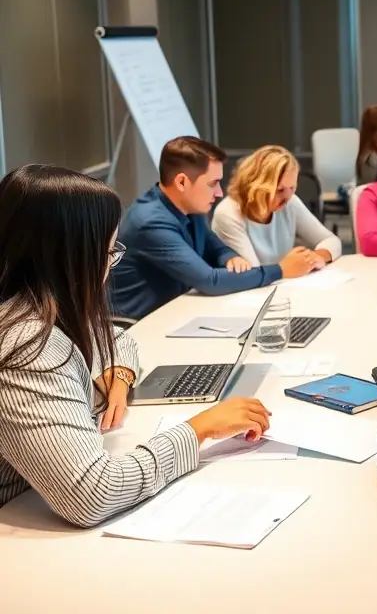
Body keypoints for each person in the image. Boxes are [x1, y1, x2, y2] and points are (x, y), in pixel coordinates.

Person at [0, 165, 272, 525]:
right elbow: (93, 495)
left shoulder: (37, 306)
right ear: (72, 256)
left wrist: (120, 374)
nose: (110, 265)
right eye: (107, 252)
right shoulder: (25, 345)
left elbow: (116, 337)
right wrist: (200, 429)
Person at [111, 137, 318, 319]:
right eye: (213, 183)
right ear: (182, 182)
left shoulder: (189, 206)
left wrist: (230, 257)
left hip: (176, 313)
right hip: (140, 329)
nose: (219, 193)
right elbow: (210, 281)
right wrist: (282, 269)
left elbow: (215, 248)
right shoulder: (150, 222)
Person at [212, 145, 342, 267]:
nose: (287, 197)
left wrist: (316, 257)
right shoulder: (228, 214)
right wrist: (288, 268)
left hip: (282, 281)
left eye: (292, 188)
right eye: (280, 190)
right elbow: (253, 273)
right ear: (255, 186)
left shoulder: (291, 203)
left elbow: (331, 240)